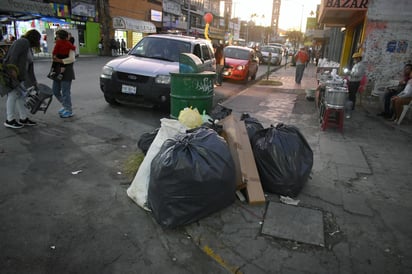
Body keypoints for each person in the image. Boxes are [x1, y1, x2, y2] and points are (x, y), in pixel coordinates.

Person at [3, 29, 41, 129]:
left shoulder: (28, 47)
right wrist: (12, 71)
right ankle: (9, 120)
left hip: (20, 76)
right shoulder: (22, 42)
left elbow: (29, 67)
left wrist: (33, 82)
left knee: (21, 96)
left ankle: (23, 118)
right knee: (13, 95)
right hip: (13, 74)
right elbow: (13, 56)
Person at [51, 29, 76, 118]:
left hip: (67, 72)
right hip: (57, 71)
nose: (56, 38)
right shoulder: (57, 45)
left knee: (65, 92)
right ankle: (65, 106)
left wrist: (60, 60)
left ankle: (68, 110)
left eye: (57, 36)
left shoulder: (69, 46)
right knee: (55, 91)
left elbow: (72, 59)